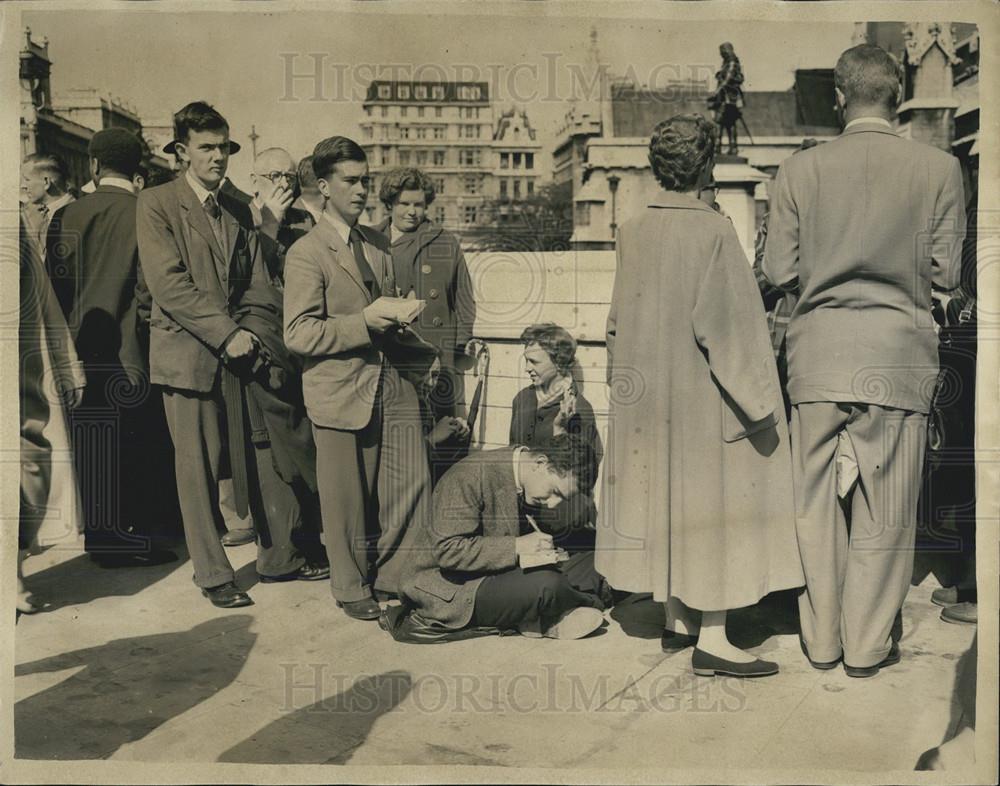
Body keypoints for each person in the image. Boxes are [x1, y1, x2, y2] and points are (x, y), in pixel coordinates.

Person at [763, 44, 965, 677]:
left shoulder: (799, 171)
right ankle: (868, 646)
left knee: (814, 505)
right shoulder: (938, 168)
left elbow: (777, 271)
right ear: (899, 93)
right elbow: (948, 271)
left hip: (818, 357)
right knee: (887, 505)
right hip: (899, 357)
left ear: (839, 97)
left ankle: (821, 641)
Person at [597, 114, 803, 678]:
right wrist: (763, 408)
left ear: (655, 166)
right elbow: (732, 330)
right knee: (712, 511)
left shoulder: (633, 228)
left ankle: (676, 619)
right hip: (702, 402)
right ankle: (714, 639)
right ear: (707, 165)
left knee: (666, 504)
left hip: (648, 402)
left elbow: (616, 323)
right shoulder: (713, 230)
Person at [137, 101, 327, 609]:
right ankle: (213, 573)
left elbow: (256, 280)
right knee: (197, 467)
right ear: (181, 151)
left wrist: (256, 333)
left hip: (242, 351)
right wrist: (226, 334)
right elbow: (169, 285)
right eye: (207, 148)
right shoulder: (156, 203)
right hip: (188, 355)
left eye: (224, 147)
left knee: (260, 455)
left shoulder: (241, 207)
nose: (219, 157)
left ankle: (279, 557)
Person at [283, 136, 437, 620]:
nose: (362, 190)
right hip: (339, 387)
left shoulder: (375, 242)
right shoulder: (306, 252)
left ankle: (401, 577)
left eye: (365, 180)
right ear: (324, 187)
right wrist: (364, 323)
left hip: (391, 380)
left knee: (410, 484)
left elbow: (382, 310)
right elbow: (298, 332)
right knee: (346, 497)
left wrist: (410, 334)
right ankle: (349, 586)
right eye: (351, 181)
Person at [45, 127, 178, 568]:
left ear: (95, 165)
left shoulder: (67, 215)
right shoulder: (145, 210)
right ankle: (136, 535)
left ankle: (103, 539)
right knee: (136, 443)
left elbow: (54, 288)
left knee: (94, 441)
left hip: (81, 347)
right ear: (136, 167)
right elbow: (150, 287)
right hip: (131, 348)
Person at [389, 435, 606, 641]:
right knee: (548, 585)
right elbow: (448, 551)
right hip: (451, 587)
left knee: (594, 562)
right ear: (540, 463)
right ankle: (576, 605)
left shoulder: (523, 474)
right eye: (555, 492)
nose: (552, 504)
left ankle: (551, 612)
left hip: (497, 572)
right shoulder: (469, 475)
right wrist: (517, 546)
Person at [374, 167, 476, 479]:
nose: (412, 211)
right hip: (393, 352)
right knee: (397, 435)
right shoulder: (372, 240)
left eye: (418, 204)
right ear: (390, 204)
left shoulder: (444, 241)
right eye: (404, 204)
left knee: (442, 431)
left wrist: (458, 345)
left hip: (437, 353)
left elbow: (464, 297)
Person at [18, 212, 87, 613]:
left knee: (28, 468)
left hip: (16, 373)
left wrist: (66, 365)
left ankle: (13, 567)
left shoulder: (12, 219)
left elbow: (42, 295)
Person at [510, 323, 600, 554]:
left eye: (535, 362)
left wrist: (559, 429)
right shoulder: (522, 399)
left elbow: (578, 475)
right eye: (526, 360)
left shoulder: (579, 409)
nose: (527, 368)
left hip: (561, 519)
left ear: (558, 361)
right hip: (524, 512)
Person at [248, 147, 313, 282]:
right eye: (275, 176)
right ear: (254, 183)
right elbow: (252, 275)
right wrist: (272, 221)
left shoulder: (305, 220)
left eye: (290, 177)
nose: (284, 184)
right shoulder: (240, 219)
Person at [21, 153, 75, 262]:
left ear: (46, 182)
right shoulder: (35, 215)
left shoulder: (77, 214)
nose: (23, 186)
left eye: (27, 179)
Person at [708, 42, 745, 156]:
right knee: (729, 123)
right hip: (728, 97)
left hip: (727, 98)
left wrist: (717, 92)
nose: (720, 54)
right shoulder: (729, 63)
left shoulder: (732, 63)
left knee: (720, 121)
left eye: (722, 52)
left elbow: (727, 79)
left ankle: (718, 147)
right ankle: (732, 147)